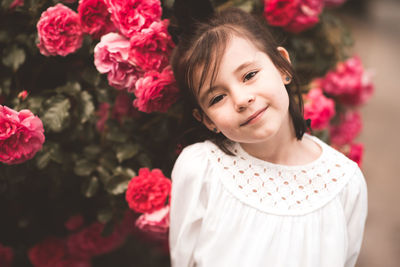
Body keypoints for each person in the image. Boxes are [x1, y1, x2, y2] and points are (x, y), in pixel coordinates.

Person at [168, 8, 367, 267]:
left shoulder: (343, 182)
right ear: (207, 119)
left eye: (249, 75)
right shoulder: (201, 169)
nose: (241, 99)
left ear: (281, 65)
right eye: (217, 98)